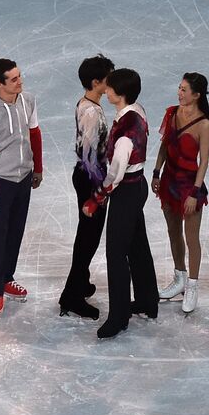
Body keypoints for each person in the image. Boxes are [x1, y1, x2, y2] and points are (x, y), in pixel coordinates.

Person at [81, 68, 157, 339]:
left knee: (116, 254)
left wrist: (96, 199)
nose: (106, 90)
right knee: (137, 245)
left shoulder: (126, 132)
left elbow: (115, 174)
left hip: (126, 192)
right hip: (138, 187)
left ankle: (119, 316)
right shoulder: (137, 109)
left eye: (110, 87)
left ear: (120, 93)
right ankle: (148, 301)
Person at [0, 59, 43, 319]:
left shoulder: (28, 100)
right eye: (13, 79)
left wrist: (38, 167)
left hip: (23, 178)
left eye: (19, 76)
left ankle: (6, 277)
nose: (20, 81)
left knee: (15, 232)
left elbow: (34, 134)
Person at [59, 55, 115, 320]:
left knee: (87, 235)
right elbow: (88, 153)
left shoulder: (86, 103)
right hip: (90, 178)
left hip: (86, 174)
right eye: (109, 77)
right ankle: (71, 295)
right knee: (88, 239)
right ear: (96, 82)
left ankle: (80, 283)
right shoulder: (91, 112)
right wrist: (99, 188)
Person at [152, 73, 209, 314]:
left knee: (192, 238)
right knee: (173, 232)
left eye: (184, 90)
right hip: (169, 181)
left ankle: (193, 286)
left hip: (190, 185)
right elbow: (165, 145)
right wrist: (156, 171)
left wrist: (194, 193)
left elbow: (204, 161)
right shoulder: (172, 113)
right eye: (179, 88)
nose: (179, 92)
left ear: (196, 95)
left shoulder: (203, 124)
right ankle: (179, 278)